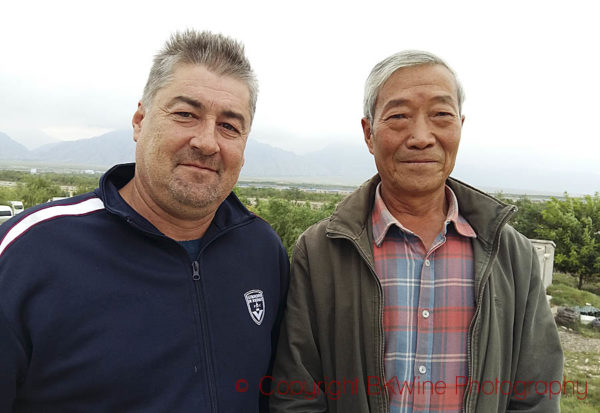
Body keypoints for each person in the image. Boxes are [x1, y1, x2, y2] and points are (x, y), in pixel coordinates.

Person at [0, 30, 289, 412]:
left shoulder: (263, 252)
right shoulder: (29, 252)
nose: (207, 142)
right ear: (140, 121)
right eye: (186, 114)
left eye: (229, 126)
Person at [270, 51, 562, 412]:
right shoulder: (320, 253)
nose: (422, 137)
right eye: (399, 116)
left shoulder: (512, 255)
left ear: (460, 126)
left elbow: (536, 394)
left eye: (441, 114)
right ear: (369, 133)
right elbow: (297, 393)